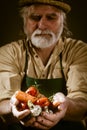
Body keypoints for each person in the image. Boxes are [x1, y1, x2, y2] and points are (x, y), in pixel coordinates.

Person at [0, 0, 87, 129]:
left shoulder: (80, 51)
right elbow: (2, 103)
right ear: (24, 21)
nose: (42, 25)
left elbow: (83, 104)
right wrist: (13, 105)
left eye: (51, 17)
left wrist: (66, 105)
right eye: (35, 17)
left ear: (63, 21)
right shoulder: (8, 52)